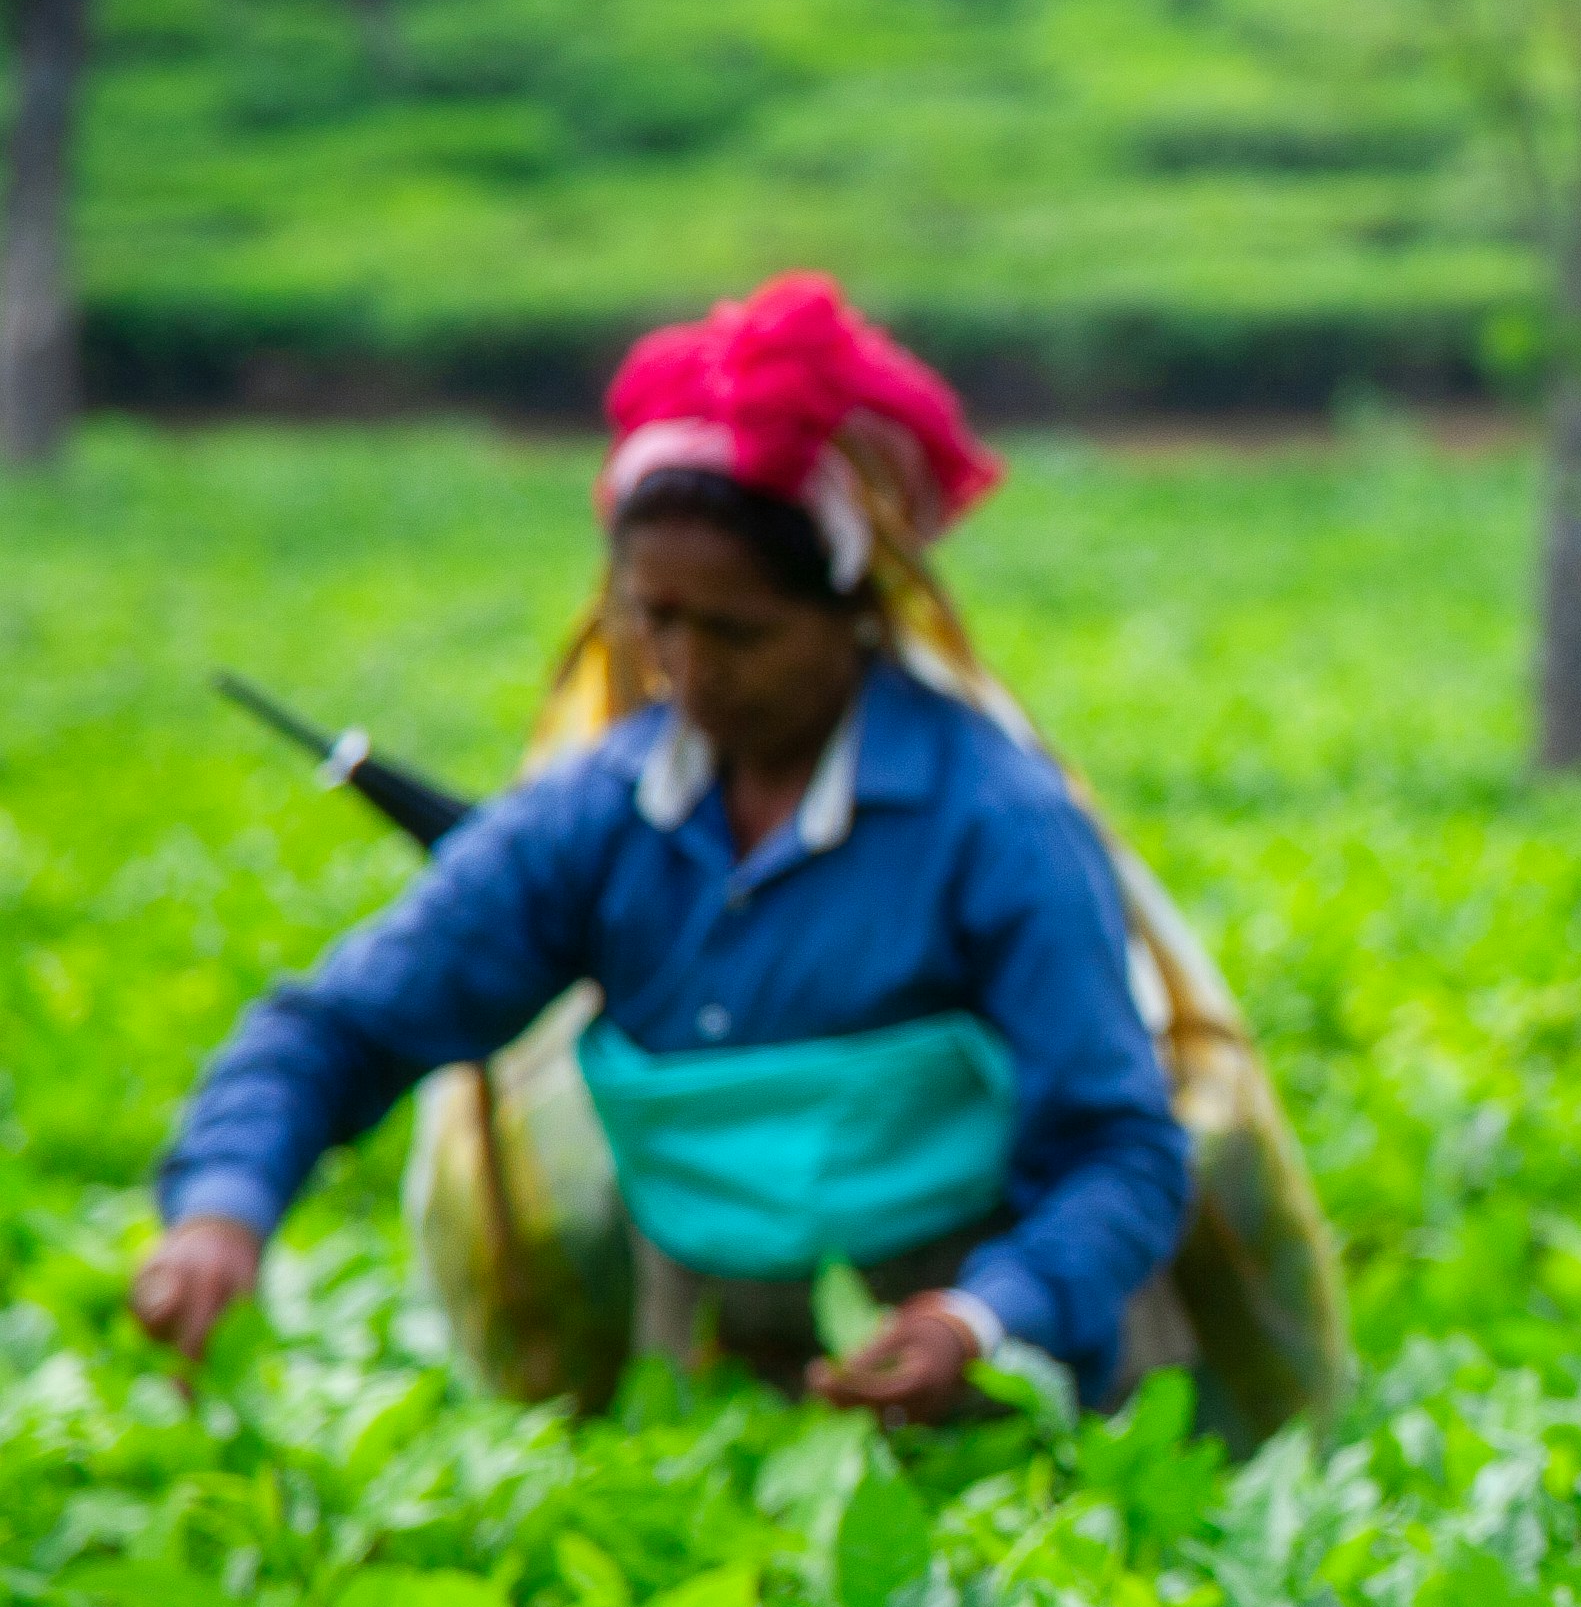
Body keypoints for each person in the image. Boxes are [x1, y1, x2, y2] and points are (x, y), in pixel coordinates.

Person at [134, 274, 1194, 1422]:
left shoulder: (994, 822)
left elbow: (1119, 1150)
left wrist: (982, 1318)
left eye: (738, 630)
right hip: (708, 1363)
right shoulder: (597, 814)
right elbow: (342, 1023)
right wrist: (222, 1211)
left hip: (994, 1361)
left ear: (854, 612)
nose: (689, 668)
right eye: (657, 618)